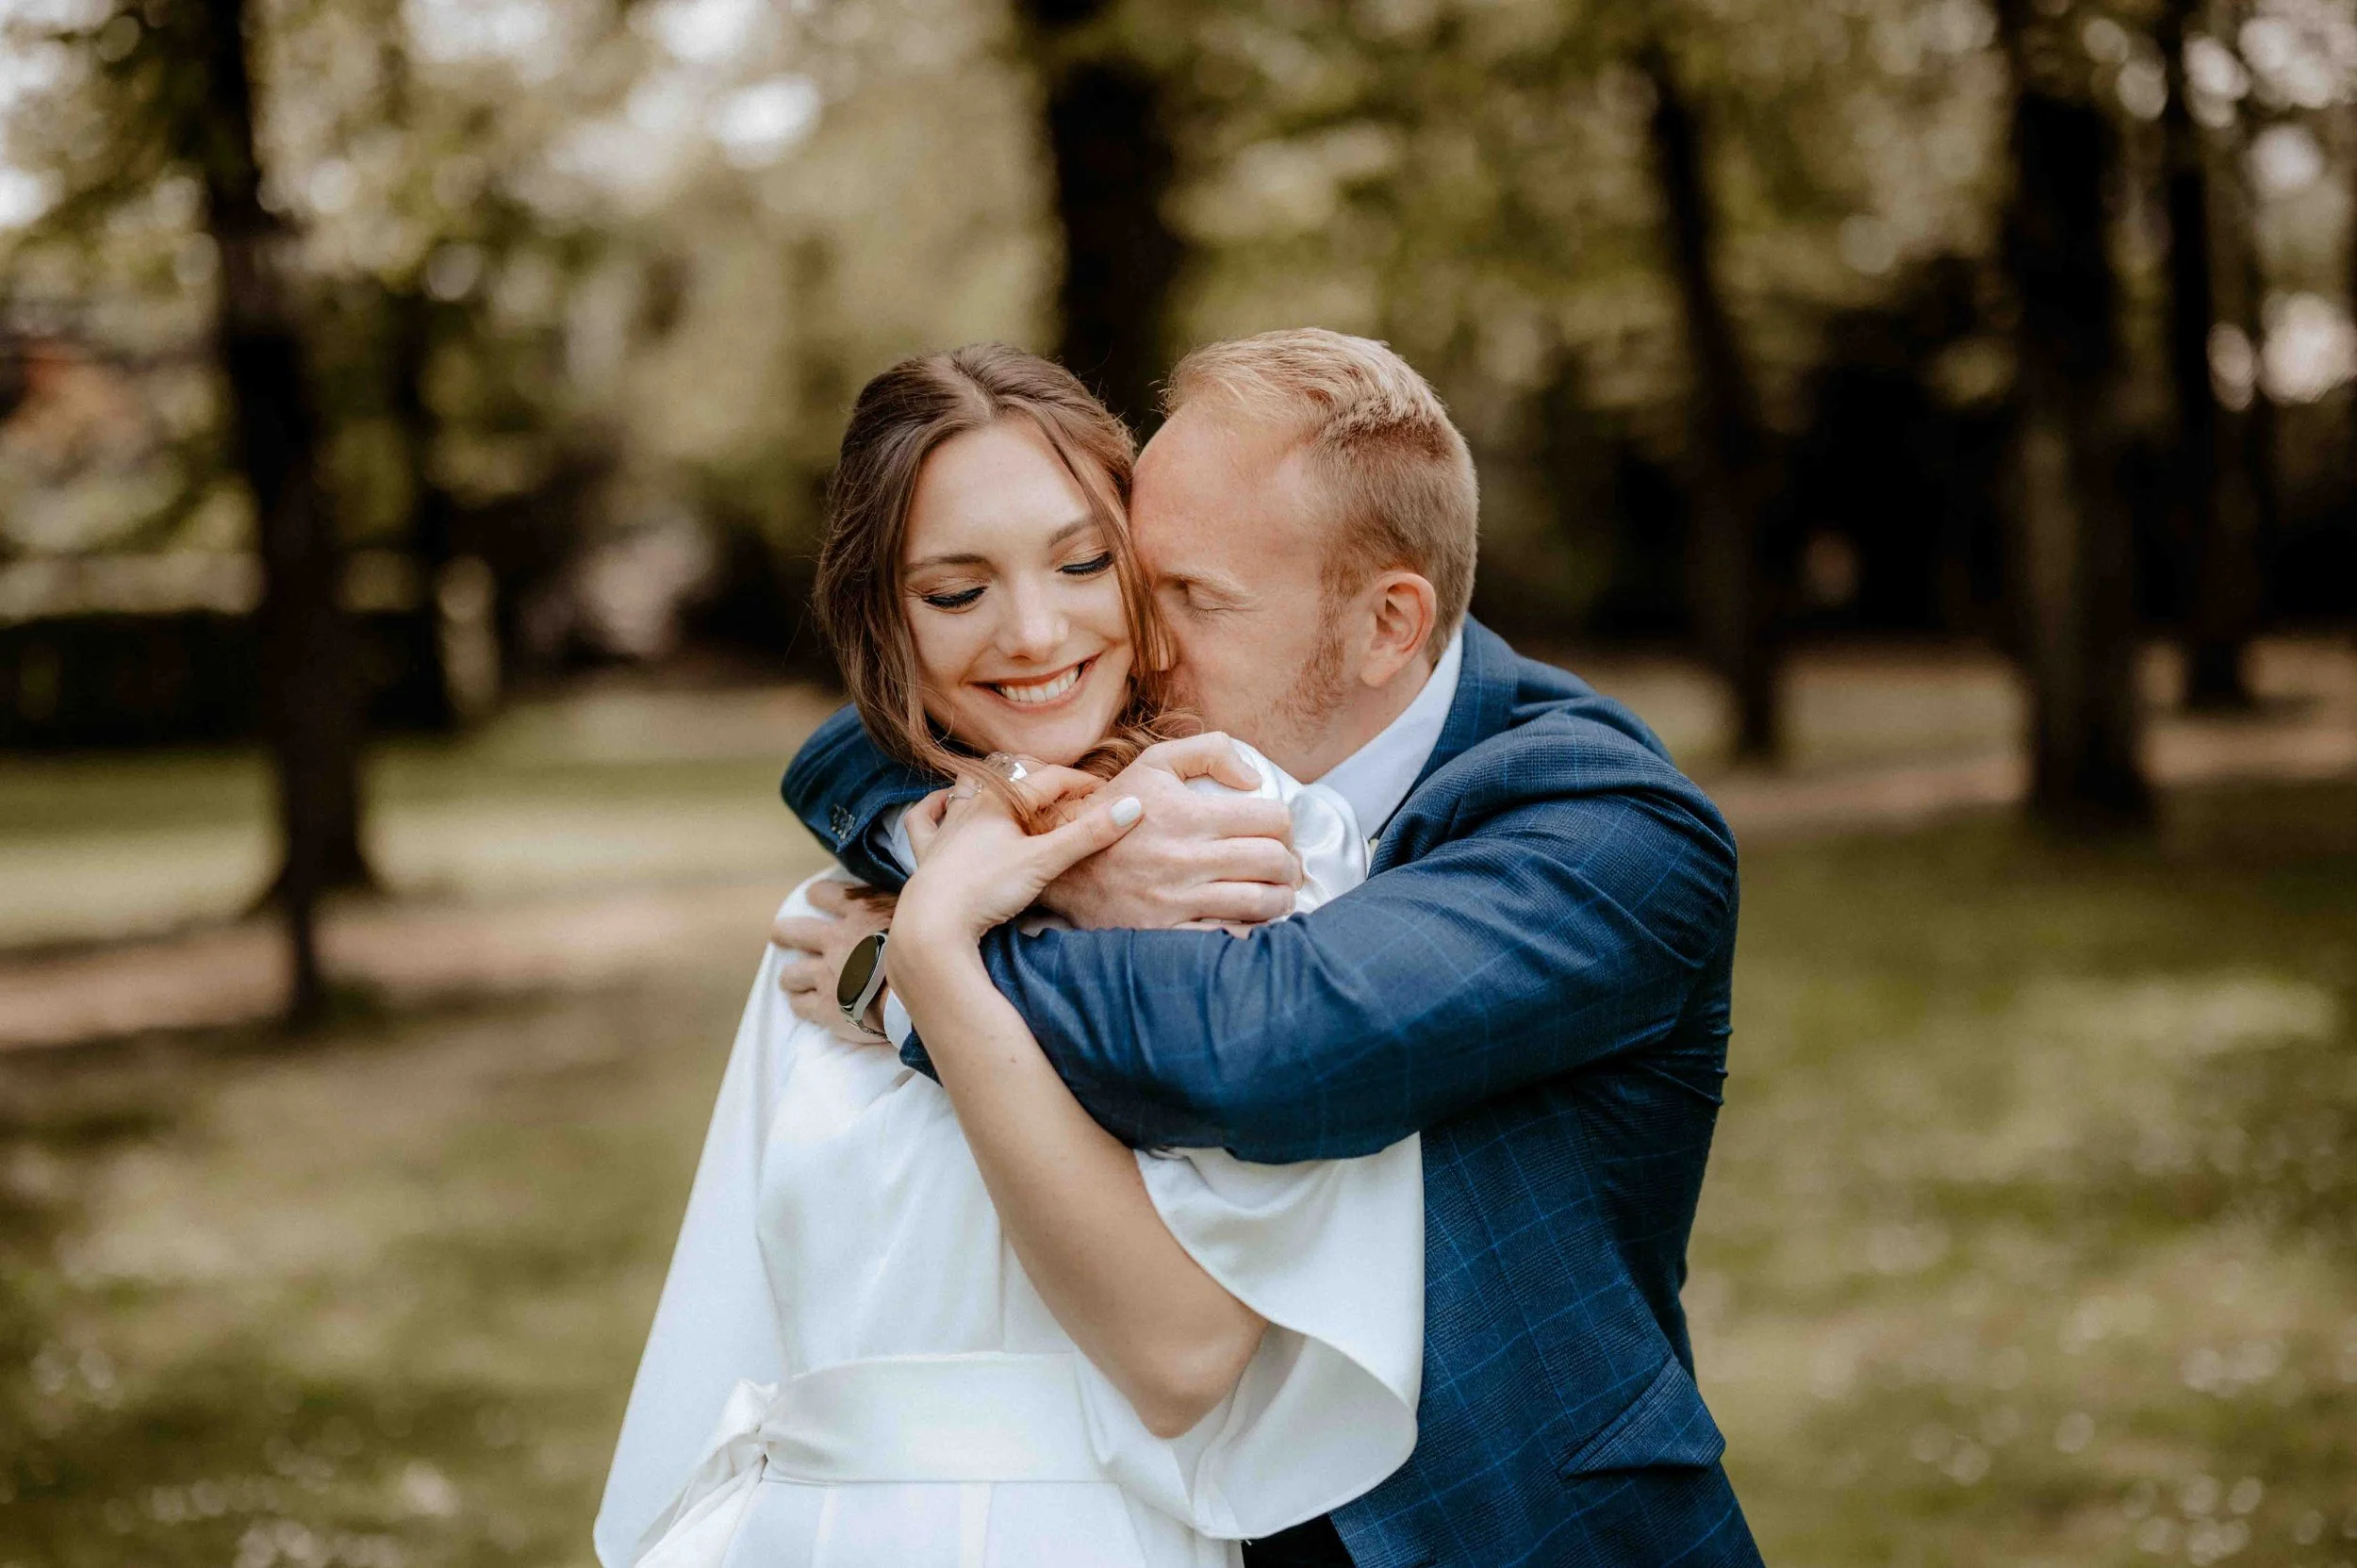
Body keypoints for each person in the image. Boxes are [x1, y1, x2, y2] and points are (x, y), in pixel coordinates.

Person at [776, 329, 1764, 1568]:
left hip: (1510, 1523)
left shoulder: (1606, 832)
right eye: (1130, 578)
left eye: (1185, 598)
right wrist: (1018, 841)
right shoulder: (1183, 742)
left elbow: (1267, 1045)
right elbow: (862, 736)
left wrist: (925, 970)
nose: (1130, 639)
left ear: (1384, 624)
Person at [594, 344, 1425, 1568]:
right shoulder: (836, 904)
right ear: (887, 622)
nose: (1034, 631)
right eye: (955, 589)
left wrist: (933, 954)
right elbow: (734, 1346)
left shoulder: (1251, 854)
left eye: (1084, 562)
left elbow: (1186, 1356)